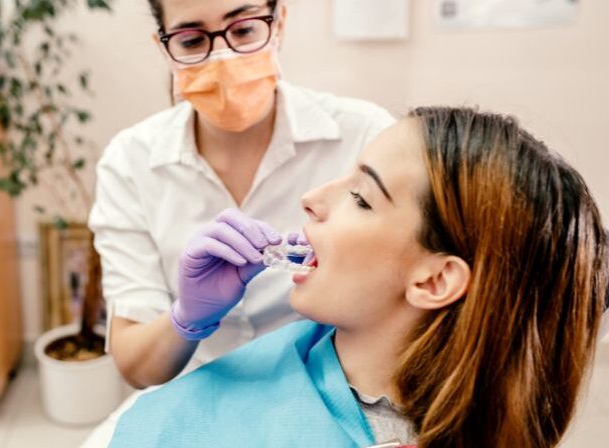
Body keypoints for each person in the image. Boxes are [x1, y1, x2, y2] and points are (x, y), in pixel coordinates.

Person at [86, 107, 609, 448]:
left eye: (360, 197)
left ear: (433, 280)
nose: (312, 200)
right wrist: (186, 318)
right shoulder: (311, 350)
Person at [87, 0, 394, 389]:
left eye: (244, 29)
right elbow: (137, 367)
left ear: (279, 22)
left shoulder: (364, 137)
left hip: (333, 390)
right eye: (192, 39)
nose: (222, 57)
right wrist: (188, 317)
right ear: (165, 48)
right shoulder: (130, 161)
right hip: (192, 391)